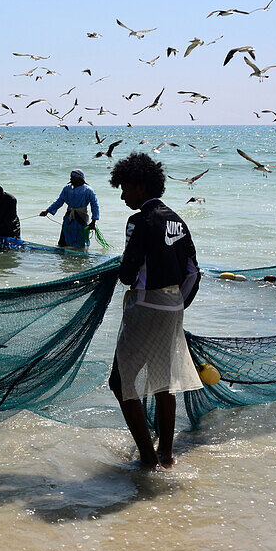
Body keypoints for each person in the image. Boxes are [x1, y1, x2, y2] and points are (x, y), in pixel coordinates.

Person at [108, 153, 202, 470]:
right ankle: (166, 454)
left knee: (121, 383)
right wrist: (176, 305)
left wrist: (144, 292)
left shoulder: (139, 221)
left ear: (141, 186)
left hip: (146, 308)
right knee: (163, 380)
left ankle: (148, 461)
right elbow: (193, 272)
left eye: (125, 188)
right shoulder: (177, 220)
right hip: (173, 308)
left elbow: (128, 274)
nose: (122, 196)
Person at [40, 169, 100, 250]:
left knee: (80, 239)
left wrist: (94, 221)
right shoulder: (67, 189)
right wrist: (47, 211)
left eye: (73, 178)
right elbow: (59, 201)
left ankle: (80, 254)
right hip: (69, 217)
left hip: (81, 217)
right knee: (64, 238)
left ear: (80, 179)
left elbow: (94, 205)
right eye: (71, 178)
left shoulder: (88, 190)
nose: (71, 179)